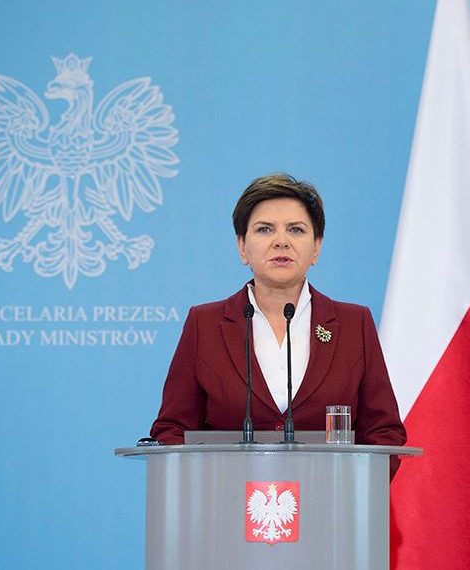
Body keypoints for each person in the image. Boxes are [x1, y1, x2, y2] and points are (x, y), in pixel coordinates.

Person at [150, 173, 407, 467]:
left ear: (316, 247)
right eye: (265, 229)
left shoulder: (353, 324)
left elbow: (384, 432)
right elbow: (172, 430)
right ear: (242, 247)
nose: (281, 242)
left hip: (331, 494)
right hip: (226, 493)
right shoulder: (204, 325)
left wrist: (354, 487)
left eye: (296, 230)